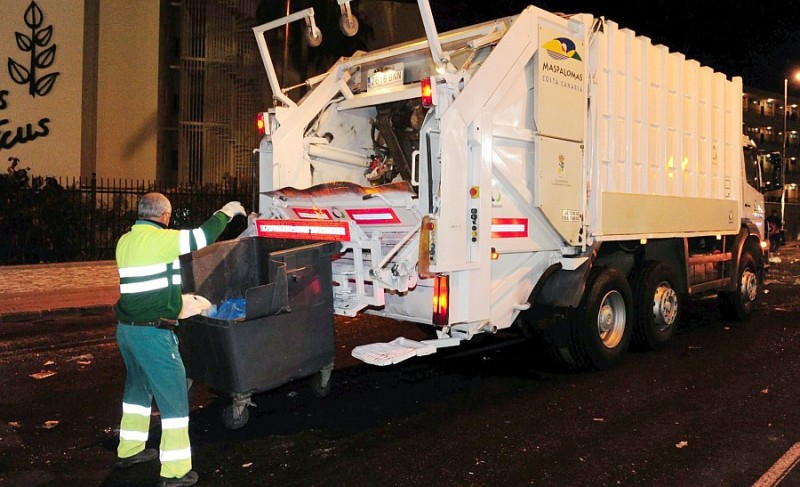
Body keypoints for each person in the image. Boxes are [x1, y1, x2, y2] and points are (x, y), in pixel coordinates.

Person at [112, 192, 246, 486]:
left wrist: (176, 301)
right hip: (152, 333)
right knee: (174, 401)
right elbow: (201, 237)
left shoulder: (126, 241)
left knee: (137, 391)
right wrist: (226, 212)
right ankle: (175, 472)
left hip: (127, 329)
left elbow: (149, 282)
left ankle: (129, 450)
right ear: (164, 216)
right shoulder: (161, 240)